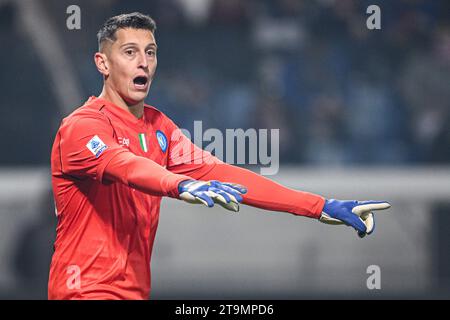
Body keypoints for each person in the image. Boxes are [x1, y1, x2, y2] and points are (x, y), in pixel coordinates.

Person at [48, 12, 391, 300]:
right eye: (130, 52)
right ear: (103, 63)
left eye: (150, 52)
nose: (143, 62)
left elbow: (222, 173)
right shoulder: (81, 127)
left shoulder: (158, 127)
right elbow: (126, 165)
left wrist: (318, 206)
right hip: (82, 291)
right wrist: (179, 184)